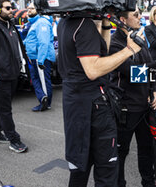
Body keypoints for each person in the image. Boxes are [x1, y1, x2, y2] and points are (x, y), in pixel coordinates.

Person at [57, 11, 142, 186]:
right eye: (136, 14)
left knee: (80, 164)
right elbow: (94, 70)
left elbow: (100, 51)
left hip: (78, 104)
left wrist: (104, 25)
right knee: (105, 171)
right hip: (96, 105)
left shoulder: (66, 21)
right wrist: (130, 50)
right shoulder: (85, 25)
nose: (140, 17)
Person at [109, 6, 156, 187]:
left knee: (147, 152)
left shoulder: (138, 37)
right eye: (136, 15)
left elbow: (148, 65)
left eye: (140, 14)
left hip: (144, 107)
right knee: (121, 154)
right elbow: (134, 73)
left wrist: (154, 89)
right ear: (123, 20)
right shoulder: (115, 43)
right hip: (125, 108)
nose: (140, 17)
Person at [0, 0, 28, 153]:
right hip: (0, 77)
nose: (12, 10)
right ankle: (14, 140)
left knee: (0, 105)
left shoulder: (10, 25)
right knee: (5, 110)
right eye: (8, 8)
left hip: (12, 74)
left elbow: (17, 49)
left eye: (12, 7)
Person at [24, 3, 55, 111]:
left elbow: (44, 43)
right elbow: (32, 40)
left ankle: (46, 103)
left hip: (40, 58)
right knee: (36, 79)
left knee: (43, 81)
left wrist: (40, 60)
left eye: (32, 8)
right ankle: (42, 98)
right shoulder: (35, 23)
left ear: (39, 10)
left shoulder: (42, 23)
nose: (29, 10)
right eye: (28, 8)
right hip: (34, 57)